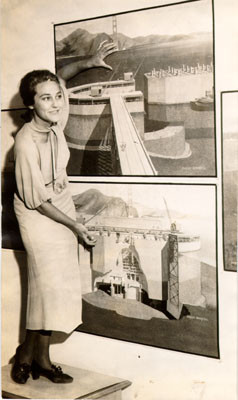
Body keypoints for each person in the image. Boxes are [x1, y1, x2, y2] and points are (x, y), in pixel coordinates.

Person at [11, 41, 117, 385]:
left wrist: (89, 61)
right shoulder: (25, 143)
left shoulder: (56, 119)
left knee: (57, 288)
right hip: (37, 211)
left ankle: (37, 356)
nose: (56, 102)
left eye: (58, 95)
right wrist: (75, 225)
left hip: (61, 204)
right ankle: (29, 356)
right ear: (31, 105)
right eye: (46, 98)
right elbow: (37, 200)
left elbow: (59, 78)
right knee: (45, 285)